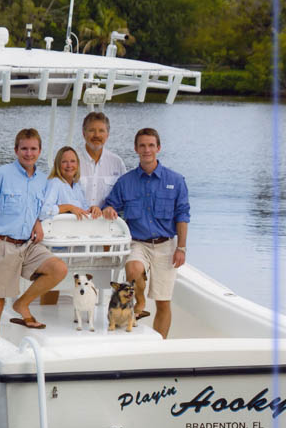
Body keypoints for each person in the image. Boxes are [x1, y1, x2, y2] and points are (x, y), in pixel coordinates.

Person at [0, 128, 67, 333]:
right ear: (16, 150)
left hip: (28, 246)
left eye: (33, 149)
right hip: (1, 245)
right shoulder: (0, 175)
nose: (29, 153)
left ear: (40, 151)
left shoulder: (43, 180)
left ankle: (21, 304)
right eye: (24, 149)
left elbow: (41, 208)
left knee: (58, 269)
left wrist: (37, 222)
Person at [102, 128, 190, 339]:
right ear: (136, 149)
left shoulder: (176, 181)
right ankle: (140, 301)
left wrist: (182, 247)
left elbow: (183, 215)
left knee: (163, 301)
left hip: (166, 245)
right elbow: (110, 205)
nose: (146, 150)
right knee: (133, 268)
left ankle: (160, 344)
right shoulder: (126, 182)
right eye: (142, 145)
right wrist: (108, 209)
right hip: (137, 243)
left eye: (151, 145)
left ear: (158, 148)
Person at [78, 112, 127, 208]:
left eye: (101, 131)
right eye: (92, 130)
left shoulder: (117, 163)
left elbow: (124, 196)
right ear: (84, 133)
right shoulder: (71, 161)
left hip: (105, 221)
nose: (97, 135)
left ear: (107, 135)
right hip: (75, 220)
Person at [40, 146, 102, 220]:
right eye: (64, 162)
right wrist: (69, 207)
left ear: (77, 164)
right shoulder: (54, 183)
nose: (69, 165)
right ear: (58, 164)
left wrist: (93, 209)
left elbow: (84, 210)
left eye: (72, 161)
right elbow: (43, 213)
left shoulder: (77, 185)